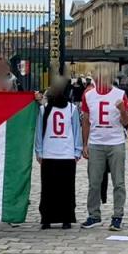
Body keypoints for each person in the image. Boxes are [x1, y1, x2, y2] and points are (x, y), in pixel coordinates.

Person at [81, 73, 128, 231]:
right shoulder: (88, 96)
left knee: (119, 182)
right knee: (94, 182)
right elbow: (86, 121)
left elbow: (126, 122)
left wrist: (123, 110)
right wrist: (85, 144)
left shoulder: (120, 94)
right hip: (96, 142)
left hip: (116, 142)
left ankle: (117, 215)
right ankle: (94, 214)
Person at [35, 75, 82, 229]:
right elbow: (39, 131)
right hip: (49, 153)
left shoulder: (72, 109)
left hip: (66, 153)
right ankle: (47, 218)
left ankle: (66, 217)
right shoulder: (44, 109)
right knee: (48, 188)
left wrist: (77, 150)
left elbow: (76, 130)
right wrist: (39, 151)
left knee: (66, 188)